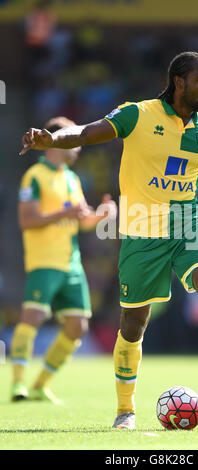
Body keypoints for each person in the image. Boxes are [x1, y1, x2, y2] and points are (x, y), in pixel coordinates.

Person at [19, 52, 198, 427]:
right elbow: (88, 133)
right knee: (133, 324)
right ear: (178, 82)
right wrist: (53, 139)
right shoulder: (137, 115)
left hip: (186, 223)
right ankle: (125, 409)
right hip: (141, 230)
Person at [12, 116, 117, 403]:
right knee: (32, 317)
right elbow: (26, 220)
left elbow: (81, 221)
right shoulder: (34, 176)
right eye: (72, 139)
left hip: (71, 263)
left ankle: (39, 385)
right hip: (44, 260)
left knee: (78, 326)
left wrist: (103, 214)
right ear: (57, 141)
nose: (78, 147)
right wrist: (63, 214)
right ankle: (17, 384)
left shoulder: (71, 179)